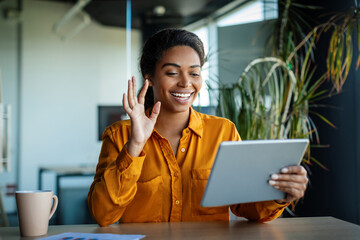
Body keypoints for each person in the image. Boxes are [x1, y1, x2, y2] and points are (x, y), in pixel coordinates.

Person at [88, 28, 308, 227]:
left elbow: (244, 207)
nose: (186, 83)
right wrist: (135, 146)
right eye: (172, 73)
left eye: (194, 73)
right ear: (150, 78)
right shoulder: (118, 135)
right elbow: (103, 215)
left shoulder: (223, 132)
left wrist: (279, 195)